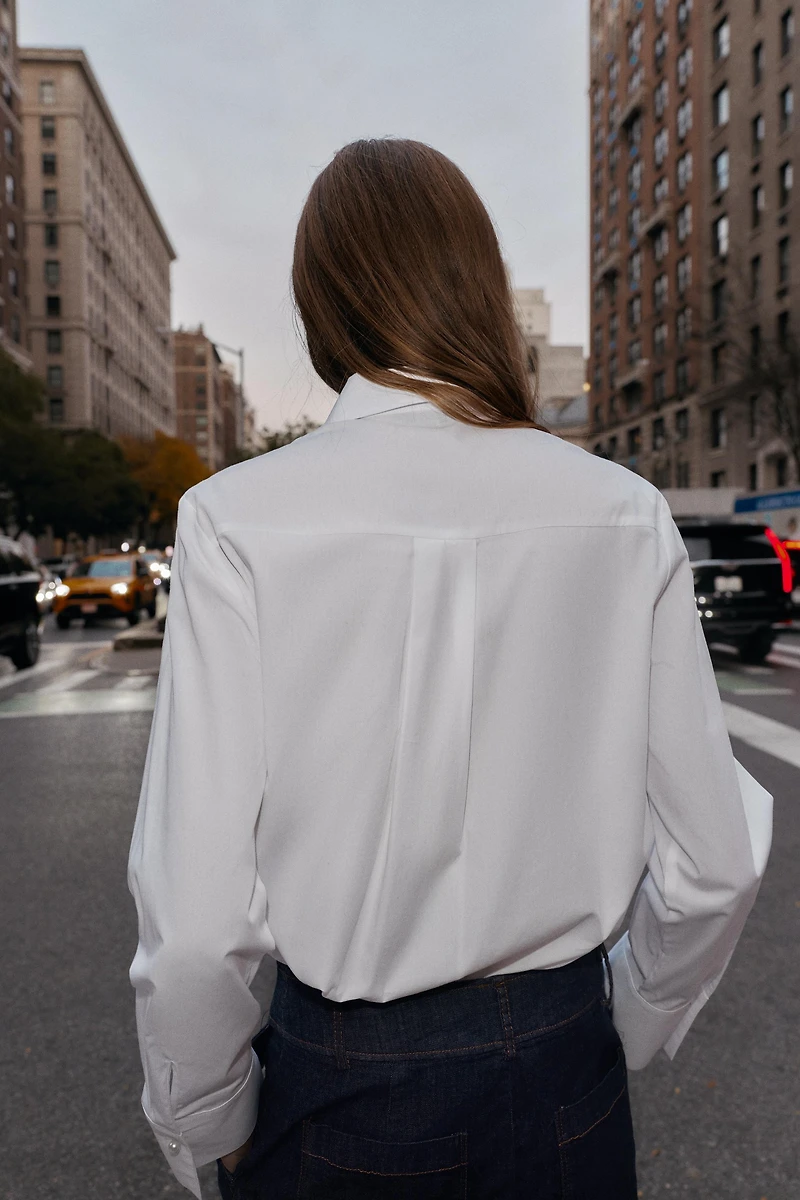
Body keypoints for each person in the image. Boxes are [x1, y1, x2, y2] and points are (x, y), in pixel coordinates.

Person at [128, 139, 773, 1200]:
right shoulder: (621, 512)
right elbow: (713, 861)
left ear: (318, 301)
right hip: (567, 1070)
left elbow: (198, 918)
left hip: (345, 1084)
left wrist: (207, 1118)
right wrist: (626, 1018)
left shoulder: (237, 521)